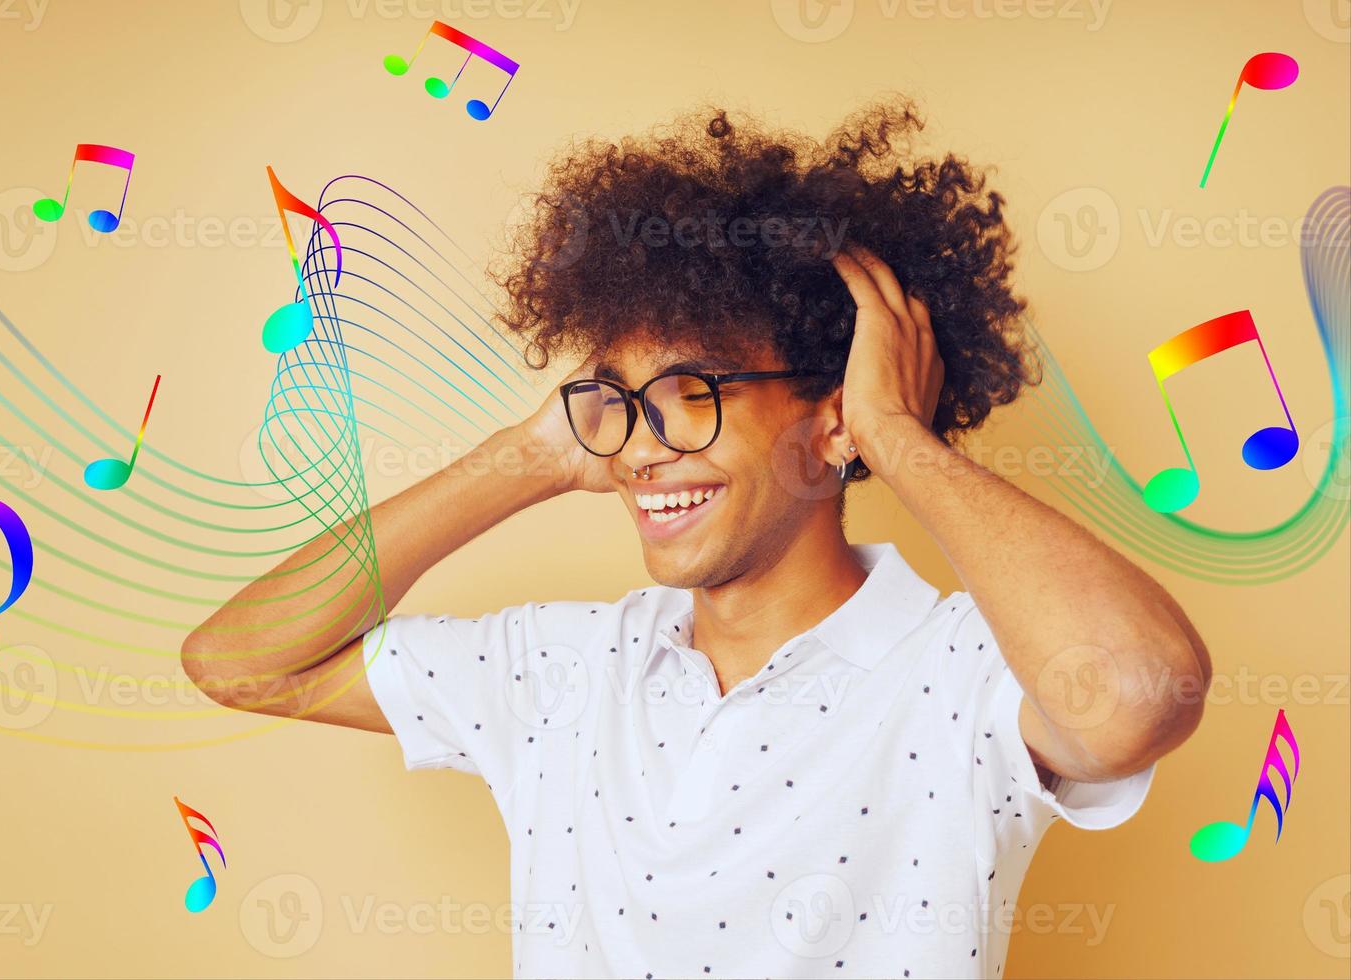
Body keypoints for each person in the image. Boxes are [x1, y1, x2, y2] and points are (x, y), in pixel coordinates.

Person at [182, 102, 1209, 978]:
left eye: (692, 393)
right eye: (620, 401)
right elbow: (239, 660)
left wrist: (898, 436)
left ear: (833, 412)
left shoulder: (967, 673)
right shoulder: (559, 670)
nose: (642, 446)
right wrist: (528, 453)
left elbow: (1134, 696)